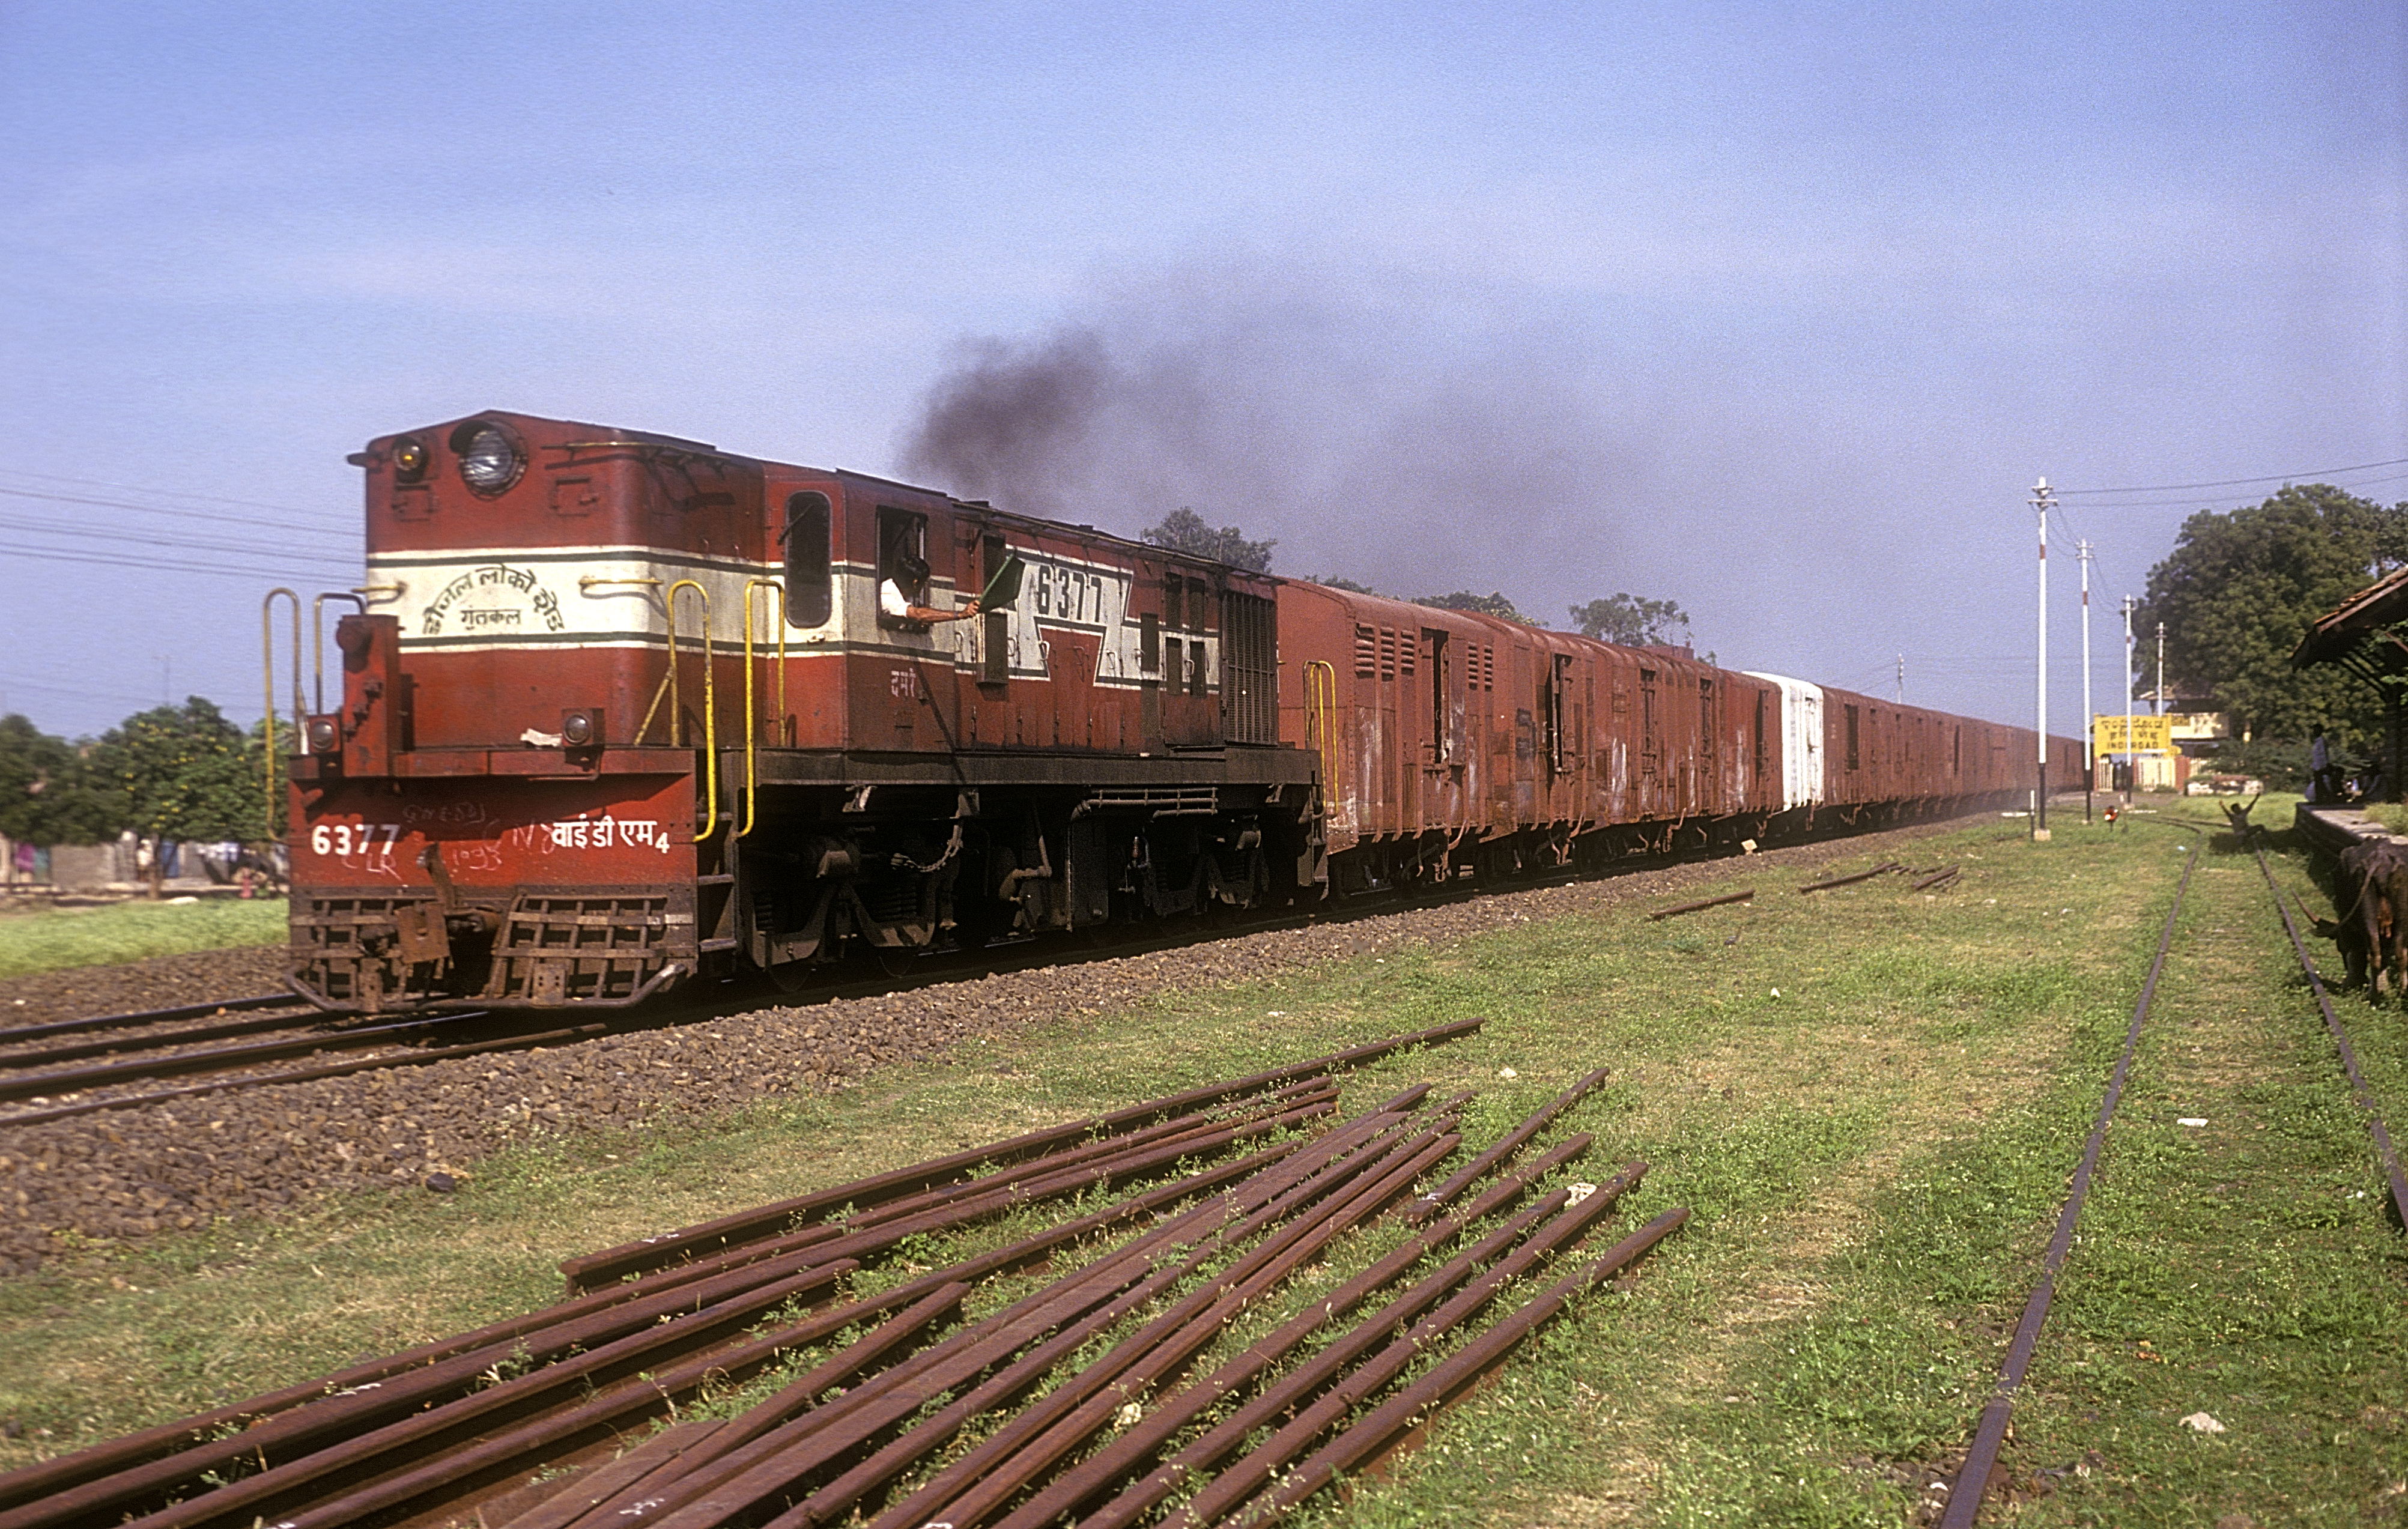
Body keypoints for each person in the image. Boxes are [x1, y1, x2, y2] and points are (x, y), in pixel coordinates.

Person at [879, 554, 979, 626]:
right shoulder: (887, 594)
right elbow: (917, 614)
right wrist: (961, 614)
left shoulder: (897, 592)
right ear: (915, 583)